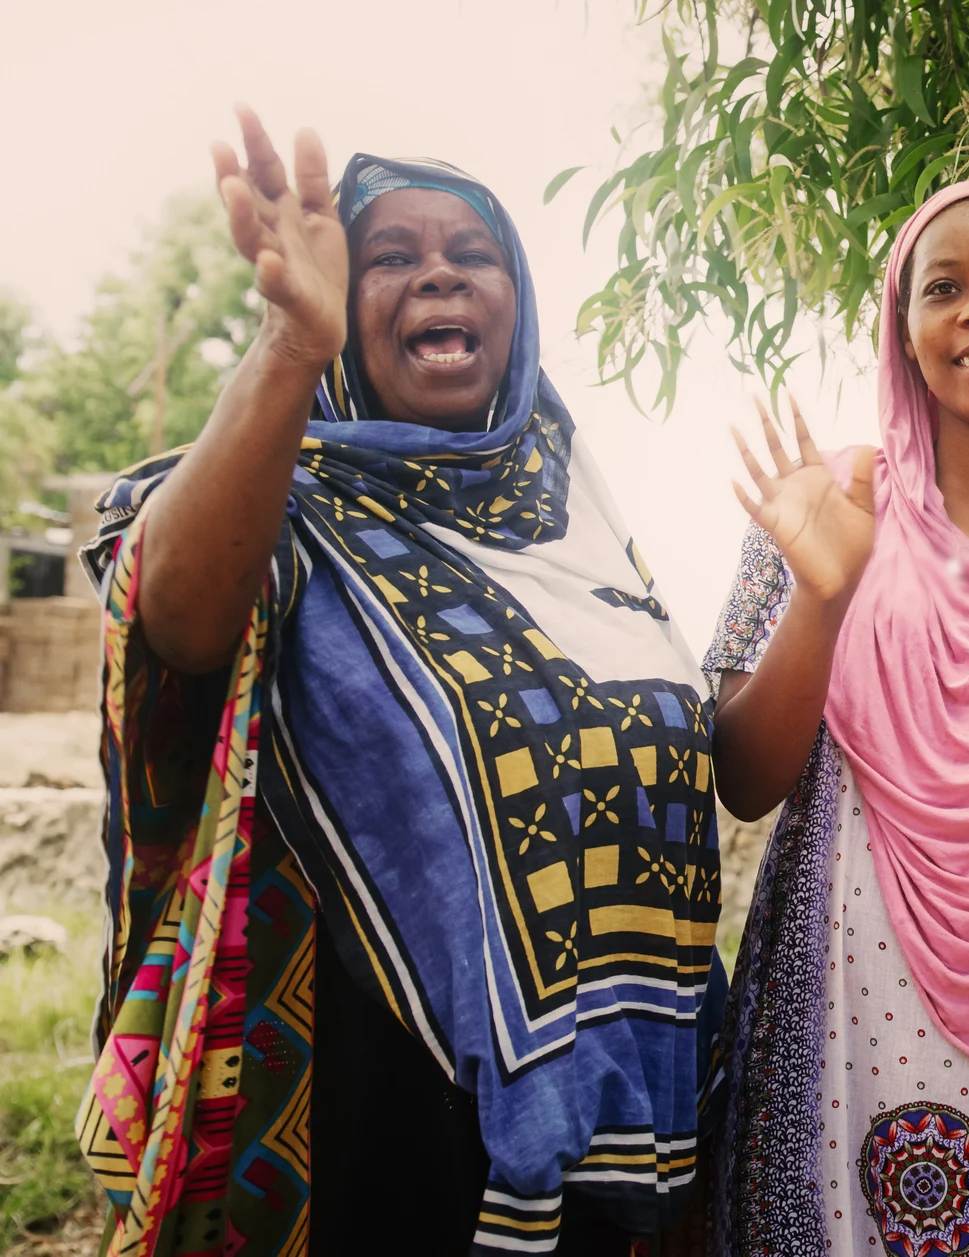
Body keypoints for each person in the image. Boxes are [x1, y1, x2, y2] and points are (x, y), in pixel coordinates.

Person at [77, 111, 725, 1254]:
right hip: (351, 1099)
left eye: (472, 255)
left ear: (514, 307)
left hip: (607, 1142)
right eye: (393, 257)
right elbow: (171, 619)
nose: (438, 273)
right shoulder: (287, 494)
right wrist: (287, 345)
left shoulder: (584, 537)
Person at [703, 179, 969, 1255]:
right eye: (943, 288)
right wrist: (822, 593)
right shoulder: (831, 498)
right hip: (840, 982)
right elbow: (743, 777)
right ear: (902, 329)